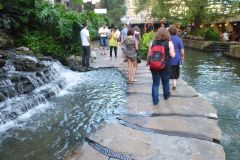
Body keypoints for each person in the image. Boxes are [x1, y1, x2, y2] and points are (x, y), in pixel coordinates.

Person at [147, 27, 175, 105]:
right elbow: (172, 55)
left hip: (154, 66)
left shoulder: (152, 42)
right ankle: (166, 96)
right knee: (165, 82)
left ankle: (155, 101)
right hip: (165, 66)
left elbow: (149, 54)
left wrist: (148, 62)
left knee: (155, 83)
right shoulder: (169, 43)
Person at [168, 25, 185, 91]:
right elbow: (182, 50)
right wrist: (183, 57)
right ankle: (174, 84)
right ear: (176, 31)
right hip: (176, 58)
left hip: (168, 58)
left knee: (168, 71)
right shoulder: (179, 39)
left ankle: (166, 83)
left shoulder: (167, 39)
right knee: (175, 71)